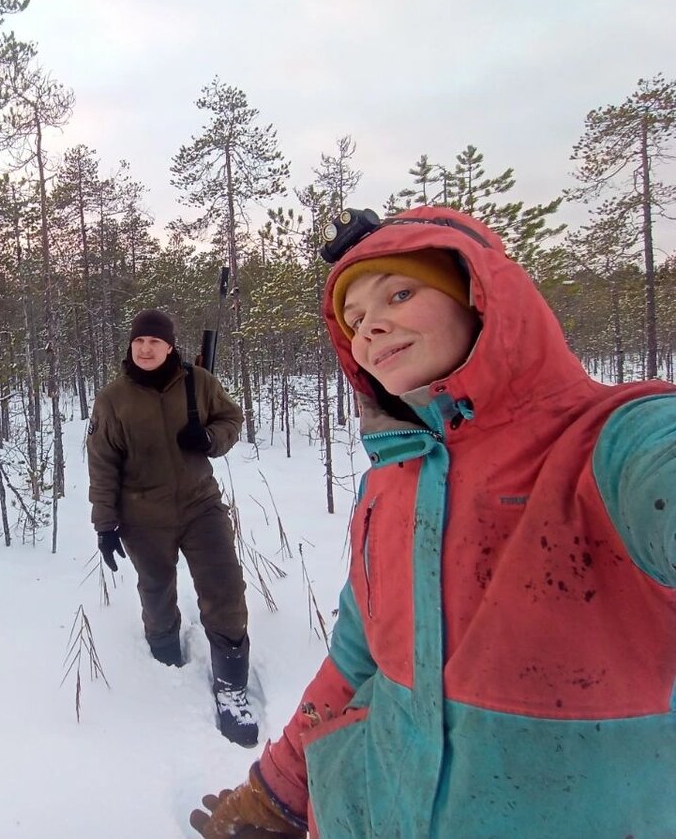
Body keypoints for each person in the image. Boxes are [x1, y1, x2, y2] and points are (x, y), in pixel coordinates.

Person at [190, 205, 676, 837]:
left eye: (400, 292)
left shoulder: (614, 444)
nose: (373, 327)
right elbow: (358, 658)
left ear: (478, 295)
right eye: (355, 320)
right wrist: (279, 793)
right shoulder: (392, 483)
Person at [87, 308, 256, 746]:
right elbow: (102, 464)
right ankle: (163, 666)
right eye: (139, 341)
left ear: (169, 346)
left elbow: (231, 420)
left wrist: (210, 440)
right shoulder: (112, 400)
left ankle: (232, 689)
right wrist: (105, 525)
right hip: (142, 516)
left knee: (225, 588)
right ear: (131, 345)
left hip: (201, 507)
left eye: (155, 342)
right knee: (157, 591)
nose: (146, 349)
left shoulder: (199, 382)